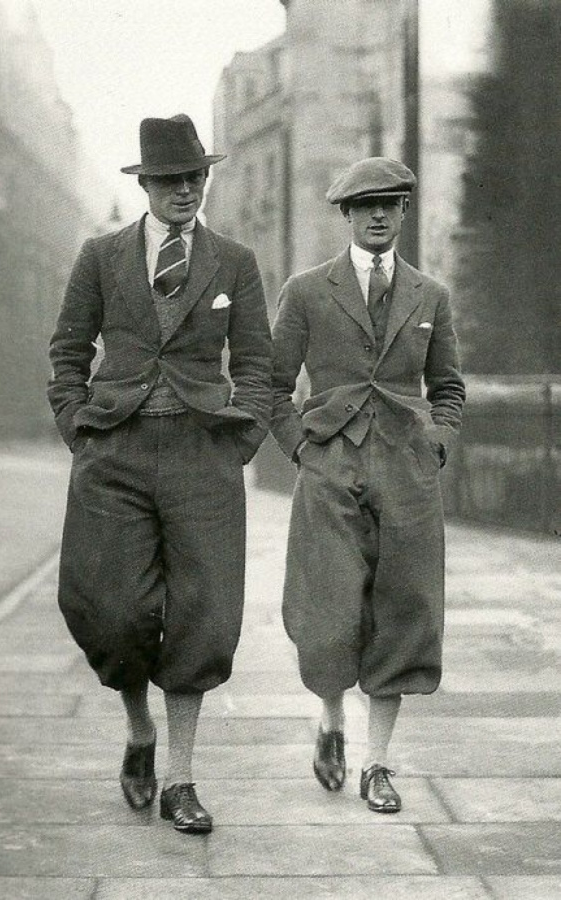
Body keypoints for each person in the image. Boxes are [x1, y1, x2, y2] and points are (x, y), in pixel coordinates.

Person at [48, 114, 272, 834]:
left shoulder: (234, 262)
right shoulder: (101, 256)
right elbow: (68, 353)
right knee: (112, 613)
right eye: (171, 179)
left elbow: (260, 367)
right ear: (145, 184)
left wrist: (240, 443)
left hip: (203, 456)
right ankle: (138, 728)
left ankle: (181, 776)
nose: (185, 191)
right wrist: (80, 433)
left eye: (195, 178)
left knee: (203, 618)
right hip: (115, 452)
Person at [270, 157, 465, 813]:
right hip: (330, 467)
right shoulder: (305, 292)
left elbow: (449, 388)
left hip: (407, 474)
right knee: (326, 609)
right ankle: (330, 721)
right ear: (346, 215)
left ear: (404, 212)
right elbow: (272, 385)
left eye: (391, 203)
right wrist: (300, 447)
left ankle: (378, 764)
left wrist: (435, 440)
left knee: (404, 612)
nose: (379, 214)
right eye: (365, 205)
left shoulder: (429, 296)